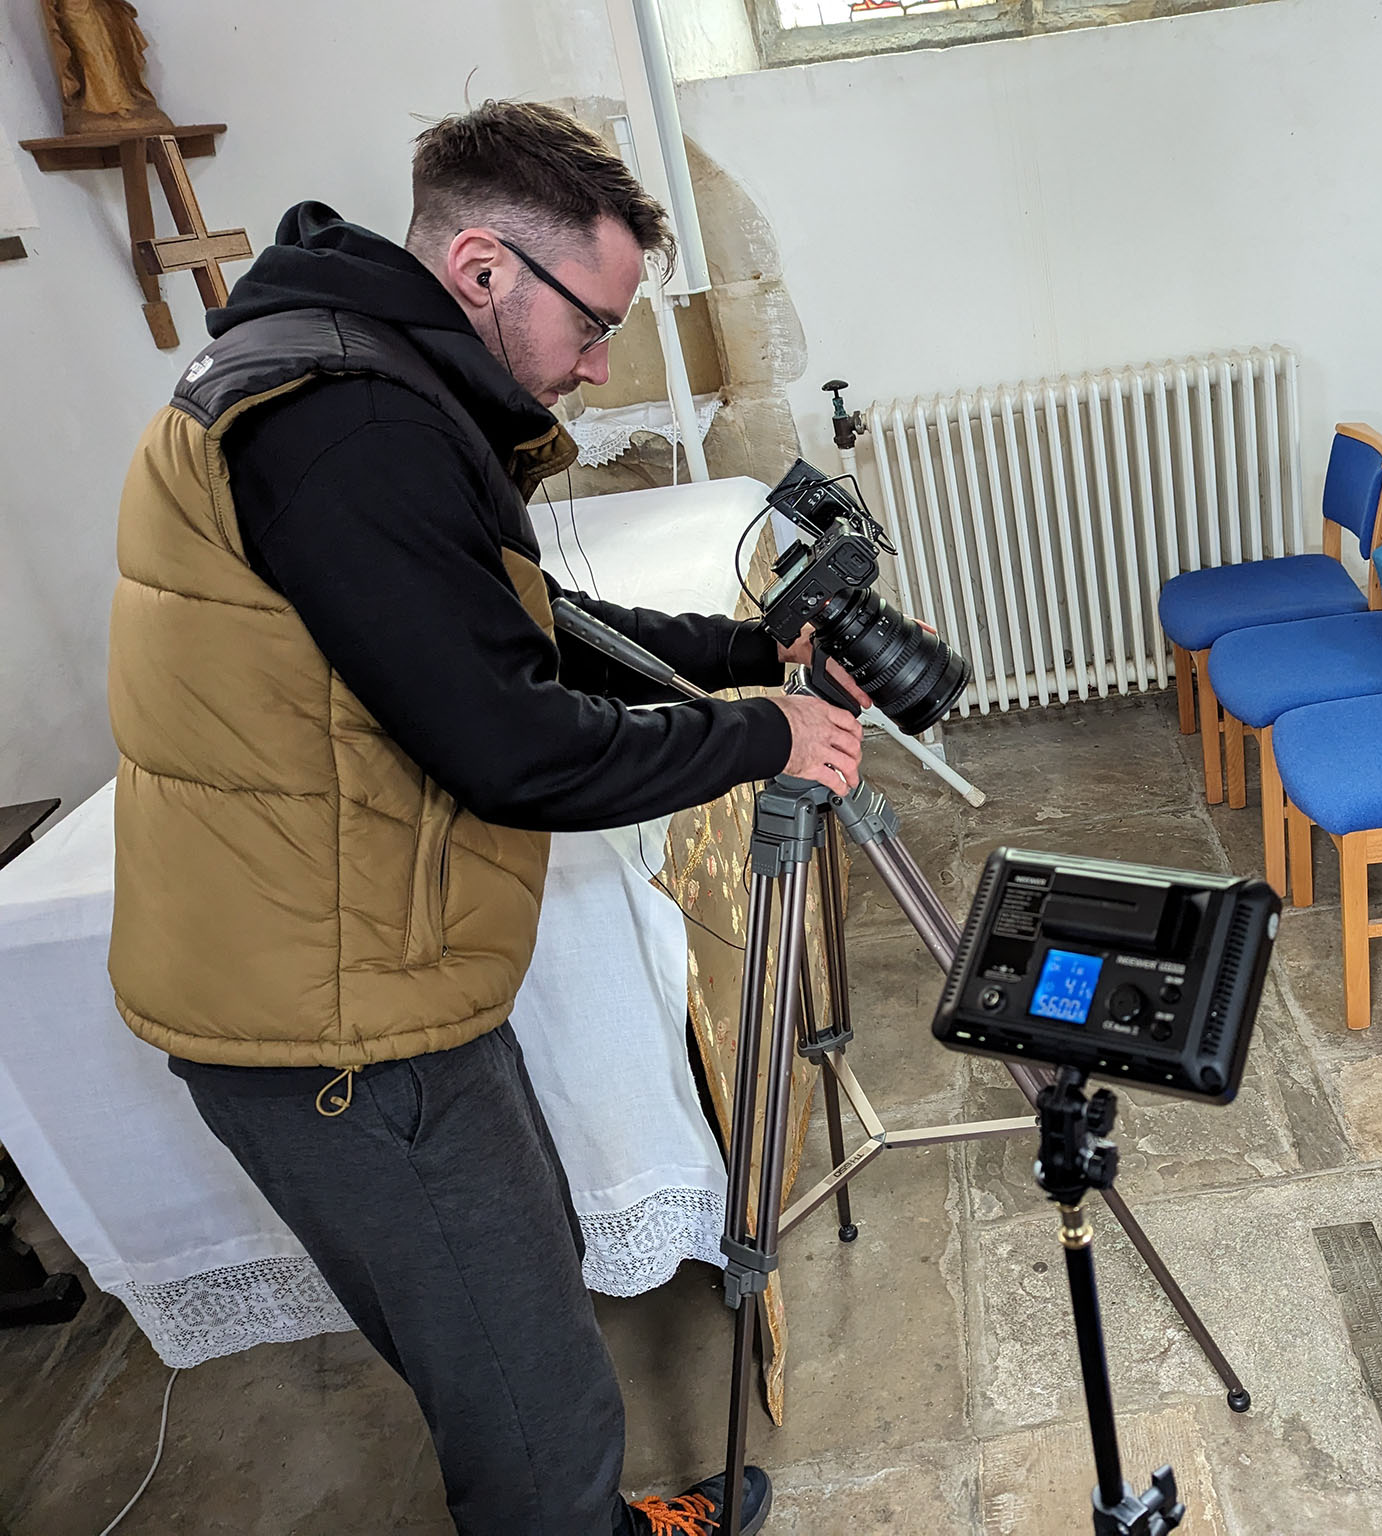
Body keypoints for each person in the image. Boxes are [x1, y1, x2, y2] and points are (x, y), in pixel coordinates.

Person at [103, 100, 861, 1536]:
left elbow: (518, 628)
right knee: (521, 1390)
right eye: (594, 324)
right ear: (482, 268)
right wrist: (767, 736)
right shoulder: (349, 427)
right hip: (333, 1014)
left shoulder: (354, 376)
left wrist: (745, 653)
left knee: (514, 1309)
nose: (597, 365)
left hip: (362, 966)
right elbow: (514, 745)